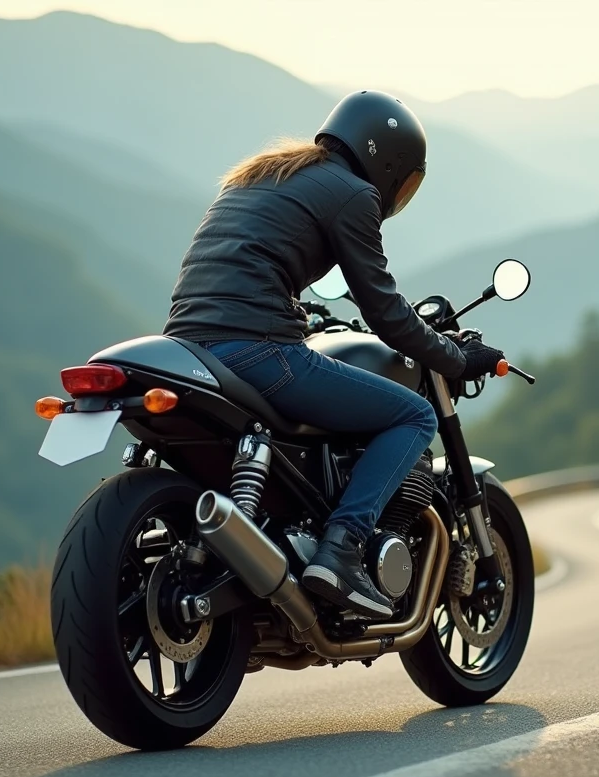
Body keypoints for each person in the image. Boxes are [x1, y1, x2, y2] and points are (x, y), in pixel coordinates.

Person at [162, 90, 505, 620]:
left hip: (191, 348)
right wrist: (455, 358)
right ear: (388, 162)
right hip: (259, 351)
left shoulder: (260, 177)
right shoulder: (351, 194)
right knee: (414, 415)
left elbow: (243, 267)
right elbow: (386, 311)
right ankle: (341, 550)